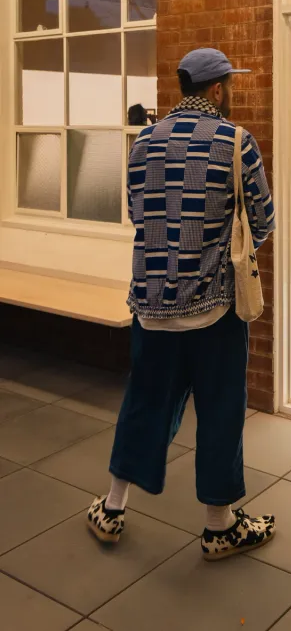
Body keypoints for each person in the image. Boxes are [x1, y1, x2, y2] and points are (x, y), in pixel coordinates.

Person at [87, 48, 276, 561]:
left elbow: (135, 214)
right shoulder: (237, 143)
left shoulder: (143, 143)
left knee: (145, 403)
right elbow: (263, 220)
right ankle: (220, 527)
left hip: (150, 307)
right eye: (229, 85)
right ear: (217, 90)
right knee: (220, 410)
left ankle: (111, 508)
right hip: (215, 308)